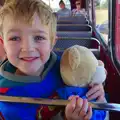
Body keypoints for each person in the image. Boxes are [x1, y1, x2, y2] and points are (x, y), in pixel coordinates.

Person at [0, 0, 106, 119]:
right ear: (3, 44)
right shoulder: (4, 90)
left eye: (39, 37)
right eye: (14, 38)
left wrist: (96, 91)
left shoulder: (69, 70)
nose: (28, 48)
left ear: (52, 43)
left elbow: (97, 110)